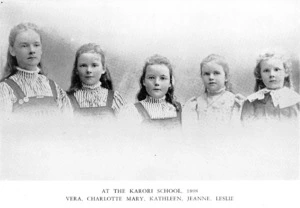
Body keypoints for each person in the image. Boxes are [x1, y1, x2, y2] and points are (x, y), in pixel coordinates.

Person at [0, 22, 72, 119]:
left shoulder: (53, 88)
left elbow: (69, 125)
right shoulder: (5, 89)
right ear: (12, 50)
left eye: (36, 45)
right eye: (24, 45)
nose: (32, 50)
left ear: (41, 49)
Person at [119, 54, 181, 130]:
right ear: (144, 81)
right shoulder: (132, 111)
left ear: (170, 83)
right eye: (151, 77)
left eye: (163, 78)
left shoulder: (181, 110)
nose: (156, 82)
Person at [183, 54, 244, 131]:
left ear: (226, 77)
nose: (211, 77)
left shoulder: (235, 102)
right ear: (201, 76)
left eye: (216, 73)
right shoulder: (195, 104)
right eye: (206, 74)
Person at [67, 43, 125, 120]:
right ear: (76, 70)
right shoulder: (67, 100)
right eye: (83, 65)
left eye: (94, 65)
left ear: (103, 69)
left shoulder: (114, 98)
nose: (88, 70)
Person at [241, 52, 300, 124]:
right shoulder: (251, 102)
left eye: (276, 69)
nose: (272, 74)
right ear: (259, 75)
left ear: (286, 72)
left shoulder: (295, 100)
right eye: (266, 70)